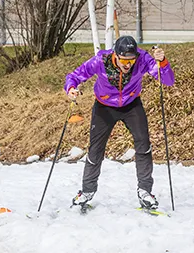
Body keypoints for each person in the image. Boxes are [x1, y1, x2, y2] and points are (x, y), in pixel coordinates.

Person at [64, 36, 174, 210]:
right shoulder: (101, 60)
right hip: (104, 107)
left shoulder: (143, 59)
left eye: (131, 60)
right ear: (115, 55)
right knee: (95, 149)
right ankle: (87, 191)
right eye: (123, 60)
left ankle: (145, 191)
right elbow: (75, 75)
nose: (127, 64)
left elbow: (168, 81)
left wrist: (163, 63)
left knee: (143, 144)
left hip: (131, 105)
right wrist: (71, 89)